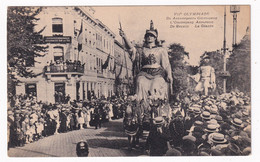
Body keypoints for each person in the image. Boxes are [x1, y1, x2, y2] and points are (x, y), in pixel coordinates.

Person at [119, 20, 173, 103]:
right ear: (145, 38)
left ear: (155, 38)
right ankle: (142, 106)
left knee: (155, 85)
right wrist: (124, 37)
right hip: (144, 73)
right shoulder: (141, 50)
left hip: (157, 74)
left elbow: (166, 65)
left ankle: (155, 106)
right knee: (140, 82)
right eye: (147, 36)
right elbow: (131, 49)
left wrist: (169, 74)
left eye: (151, 36)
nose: (149, 37)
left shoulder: (161, 50)